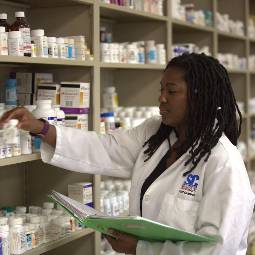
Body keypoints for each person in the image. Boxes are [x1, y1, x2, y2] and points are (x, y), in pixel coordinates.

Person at [1, 53, 254, 255]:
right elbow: (104, 148)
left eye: (172, 91)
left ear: (200, 98)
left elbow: (219, 249)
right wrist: (41, 128)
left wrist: (140, 249)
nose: (161, 99)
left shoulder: (223, 162)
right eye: (161, 89)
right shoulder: (155, 133)